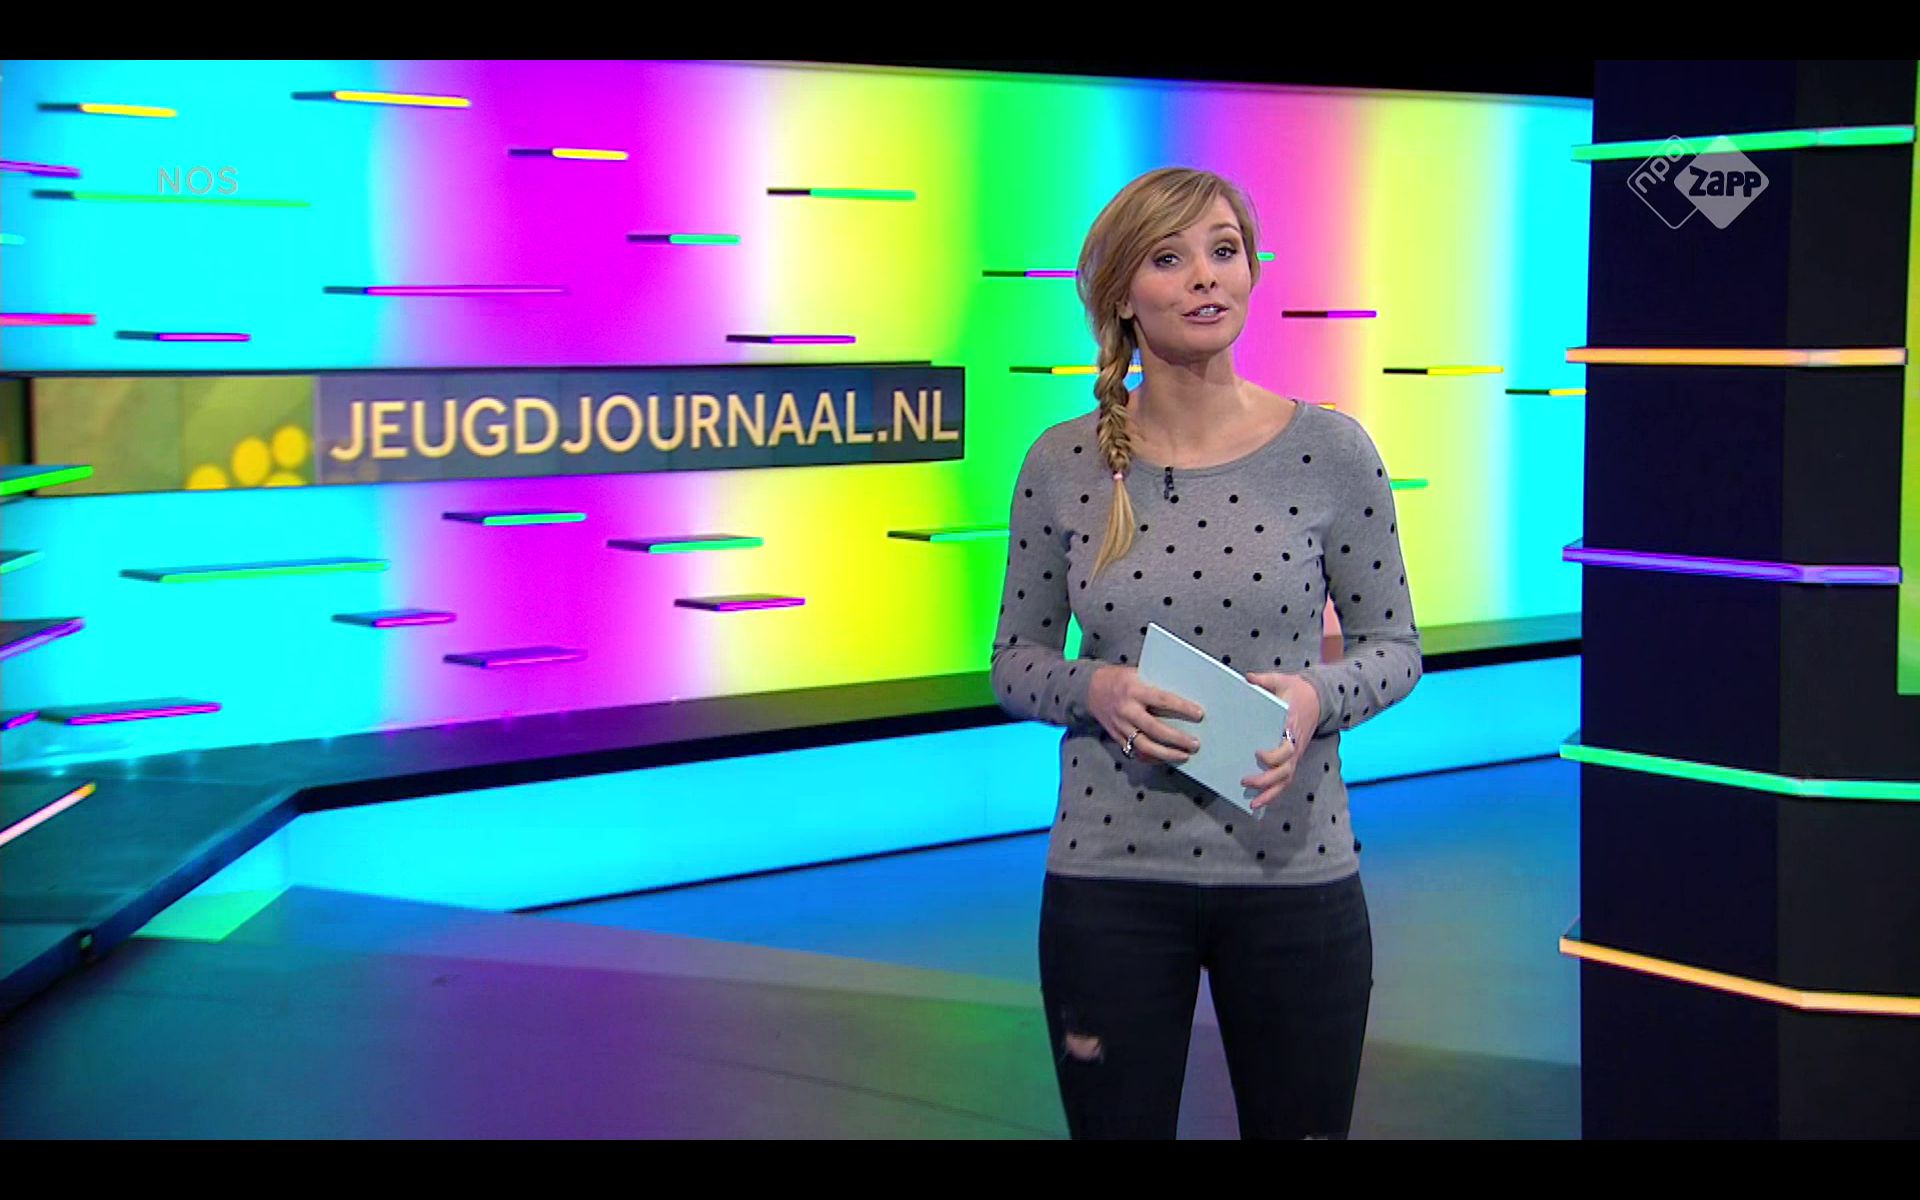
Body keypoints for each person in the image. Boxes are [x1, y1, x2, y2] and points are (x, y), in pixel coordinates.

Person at [990, 166, 1423, 1139]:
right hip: (1109, 877)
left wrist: (1313, 699)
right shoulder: (1061, 462)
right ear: (1122, 297)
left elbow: (1395, 647)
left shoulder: (1331, 451)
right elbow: (1014, 659)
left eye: (1225, 251)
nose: (1205, 277)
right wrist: (1096, 688)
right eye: (1169, 257)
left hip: (1293, 871)